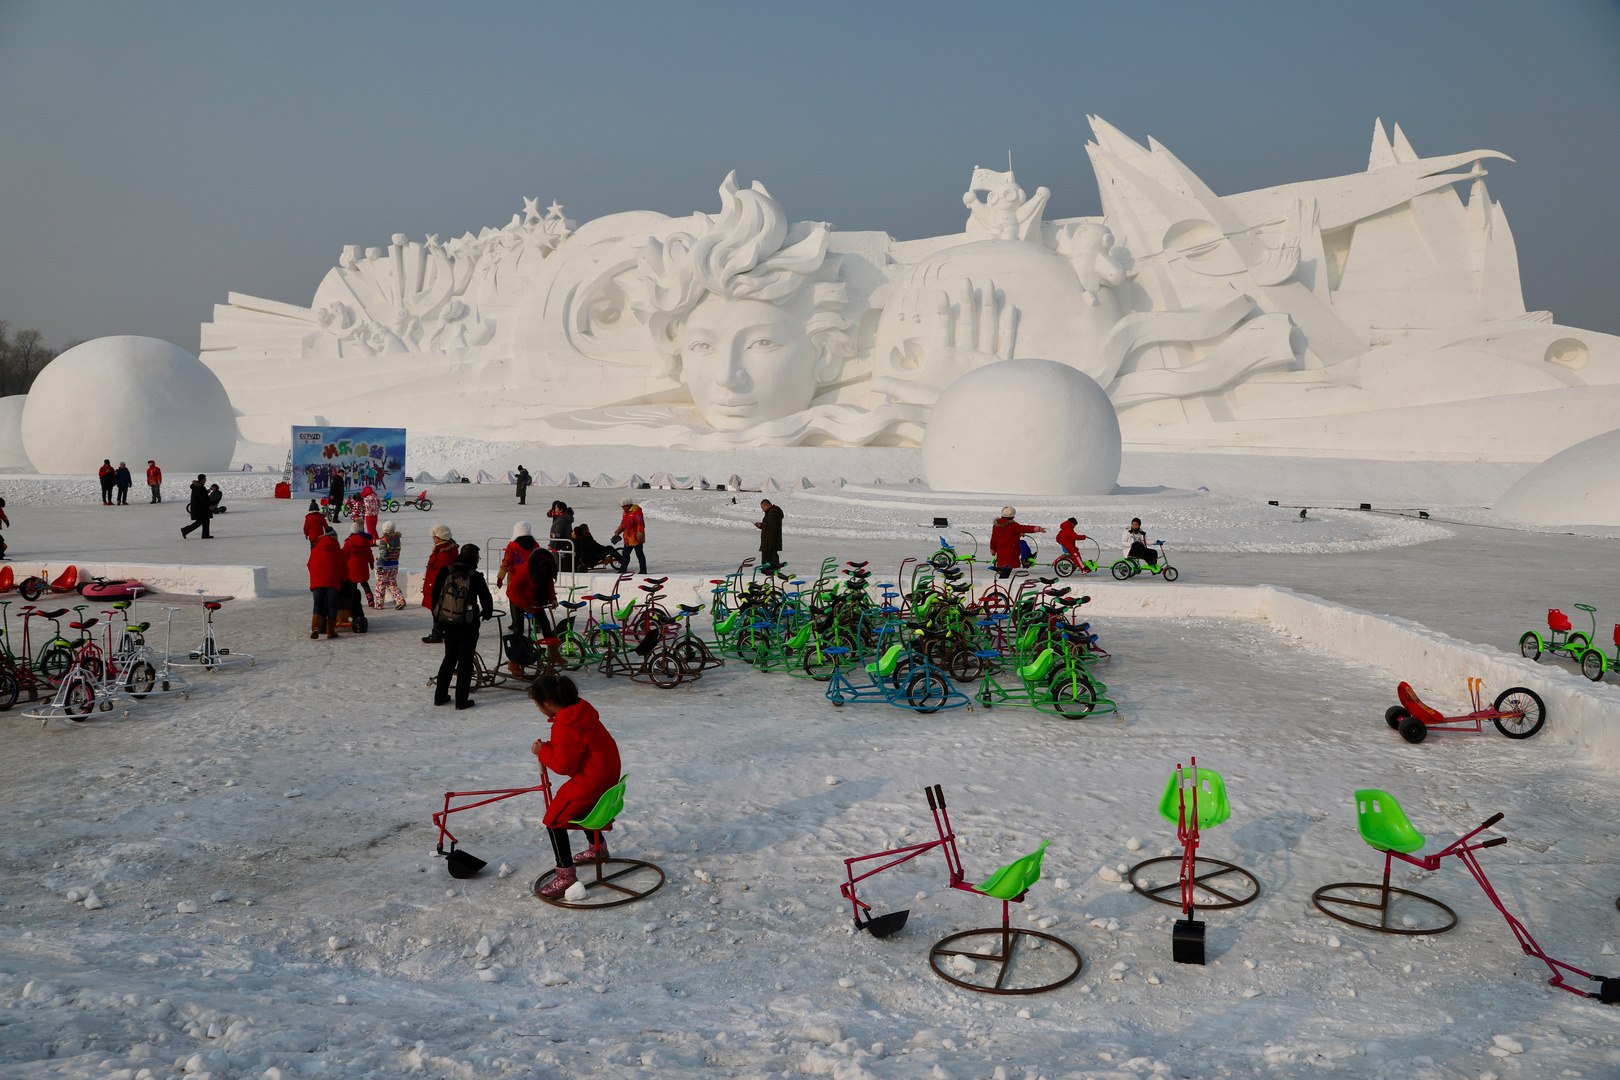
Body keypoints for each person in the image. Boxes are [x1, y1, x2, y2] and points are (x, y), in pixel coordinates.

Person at [529, 675, 621, 898]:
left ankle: (566, 877)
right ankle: (598, 850)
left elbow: (563, 765)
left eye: (537, 705)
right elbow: (575, 748)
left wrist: (542, 751)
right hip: (606, 778)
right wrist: (550, 747)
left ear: (548, 702)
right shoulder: (580, 713)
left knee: (554, 819)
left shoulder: (564, 724)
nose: (539, 709)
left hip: (592, 782)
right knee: (585, 808)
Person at [431, 543, 493, 710]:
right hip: (468, 625)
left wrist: (438, 620)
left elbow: (435, 595)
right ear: (474, 559)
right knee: (465, 662)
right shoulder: (475, 576)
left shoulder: (446, 571)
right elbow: (486, 599)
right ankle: (461, 701)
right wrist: (486, 614)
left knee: (449, 658)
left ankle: (440, 696)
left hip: (447, 623)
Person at [497, 522, 539, 632]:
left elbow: (506, 562)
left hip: (515, 580)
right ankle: (537, 623)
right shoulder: (535, 545)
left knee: (516, 601)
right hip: (531, 579)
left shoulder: (512, 546)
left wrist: (500, 577)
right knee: (532, 600)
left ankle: (516, 625)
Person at [421, 523, 459, 643]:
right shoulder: (446, 548)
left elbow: (442, 571)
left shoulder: (443, 552)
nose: (433, 540)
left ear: (442, 538)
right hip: (437, 584)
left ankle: (437, 633)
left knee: (437, 610)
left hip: (437, 586)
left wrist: (436, 585)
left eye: (435, 537)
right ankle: (442, 632)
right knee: (439, 610)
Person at [307, 527, 346, 639]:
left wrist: (315, 575)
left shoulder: (315, 549)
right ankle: (331, 632)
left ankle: (316, 628)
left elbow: (309, 564)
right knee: (332, 605)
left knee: (318, 604)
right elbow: (343, 567)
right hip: (332, 580)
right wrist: (344, 579)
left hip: (317, 581)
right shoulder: (338, 551)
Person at [989, 506, 1043, 578]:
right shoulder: (1013, 526)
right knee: (1005, 573)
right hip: (1011, 553)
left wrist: (993, 549)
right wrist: (1037, 529)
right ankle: (1002, 586)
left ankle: (1001, 585)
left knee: (1004, 572)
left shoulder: (996, 526)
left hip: (1001, 553)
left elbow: (993, 539)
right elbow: (1024, 528)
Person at [343, 520, 376, 607]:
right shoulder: (365, 540)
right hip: (363, 564)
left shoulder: (349, 541)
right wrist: (371, 562)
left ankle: (355, 600)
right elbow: (369, 552)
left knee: (353, 584)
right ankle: (370, 599)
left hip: (352, 565)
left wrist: (342, 564)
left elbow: (345, 554)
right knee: (364, 582)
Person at [611, 497, 647, 574]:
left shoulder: (636, 512)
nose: (623, 508)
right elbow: (623, 524)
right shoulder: (625, 513)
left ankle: (643, 570)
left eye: (624, 507)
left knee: (639, 554)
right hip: (627, 538)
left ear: (628, 505)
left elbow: (640, 524)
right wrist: (618, 531)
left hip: (636, 538)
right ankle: (623, 569)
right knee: (625, 554)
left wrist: (639, 534)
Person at [375, 520, 405, 609]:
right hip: (394, 565)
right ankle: (401, 600)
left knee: (380, 585)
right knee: (392, 584)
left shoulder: (384, 541)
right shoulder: (397, 540)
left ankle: (379, 604)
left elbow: (383, 554)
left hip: (385, 566)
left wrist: (379, 565)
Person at [755, 499, 784, 572]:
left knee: (769, 562)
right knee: (769, 560)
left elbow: (773, 530)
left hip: (769, 543)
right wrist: (762, 526)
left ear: (766, 505)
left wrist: (771, 545)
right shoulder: (771, 513)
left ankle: (771, 575)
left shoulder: (772, 514)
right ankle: (771, 574)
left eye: (762, 508)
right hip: (769, 542)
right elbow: (769, 527)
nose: (763, 510)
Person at [181, 474, 213, 539]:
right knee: (200, 521)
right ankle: (185, 530)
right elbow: (201, 498)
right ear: (203, 479)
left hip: (201, 507)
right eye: (205, 479)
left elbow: (201, 495)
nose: (205, 480)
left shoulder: (199, 487)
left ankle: (205, 534)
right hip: (200, 508)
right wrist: (208, 505)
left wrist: (206, 492)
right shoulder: (198, 487)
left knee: (206, 520)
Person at [547, 500, 574, 573]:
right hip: (565, 544)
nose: (555, 510)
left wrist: (551, 545)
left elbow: (557, 534)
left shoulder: (560, 520)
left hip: (559, 545)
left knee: (558, 564)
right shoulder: (566, 518)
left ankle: (558, 577)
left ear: (561, 510)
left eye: (556, 508)